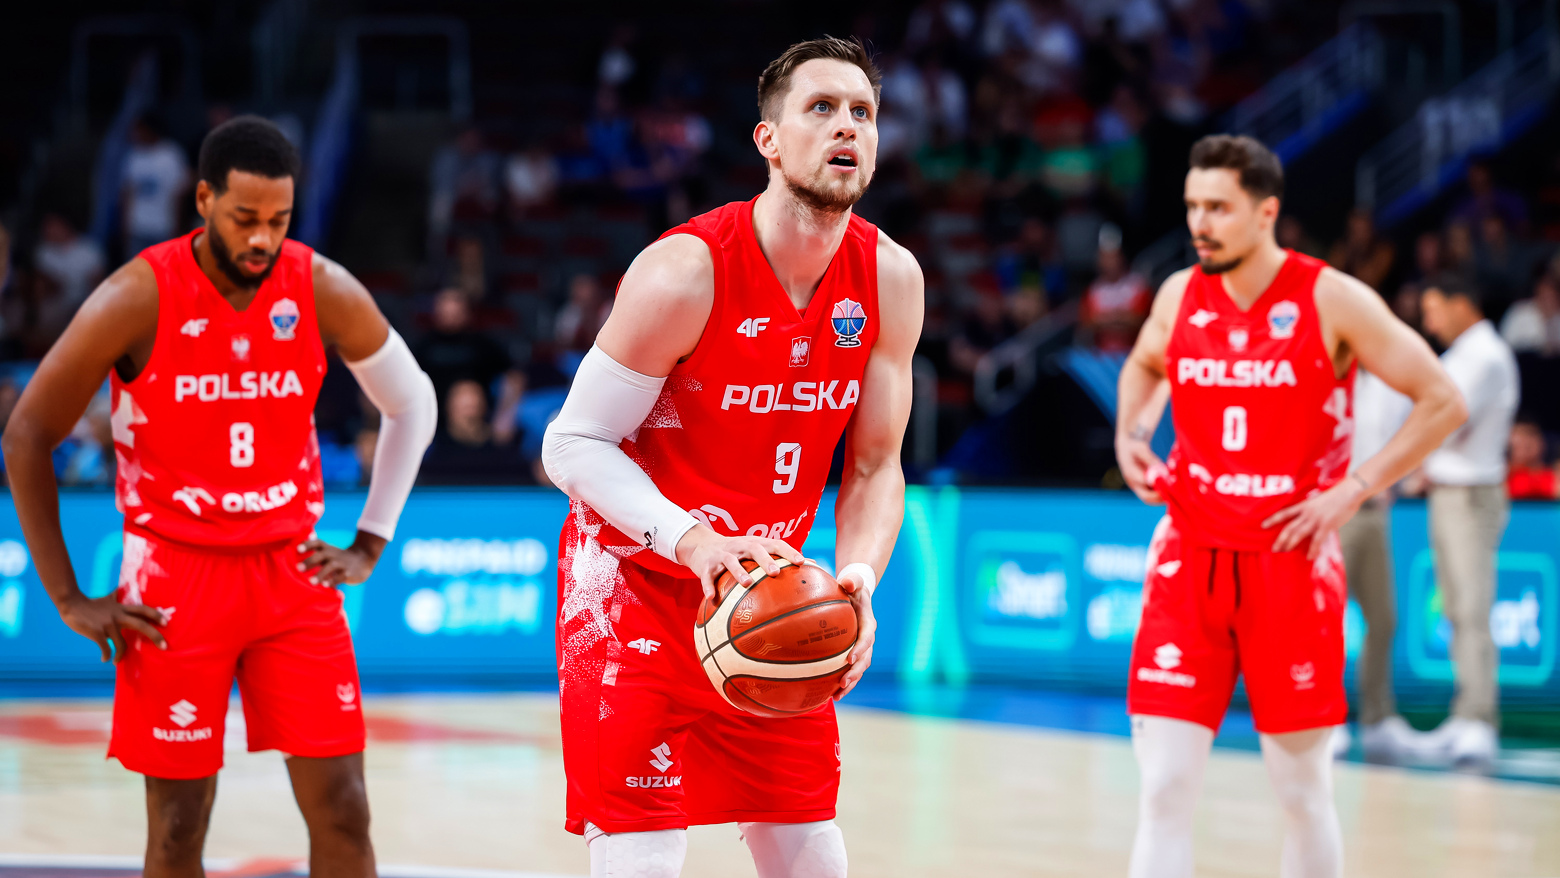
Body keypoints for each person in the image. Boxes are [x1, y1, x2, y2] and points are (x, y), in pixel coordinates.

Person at [0, 116, 437, 877]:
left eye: (279, 219)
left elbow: (414, 403)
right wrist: (67, 596)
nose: (263, 238)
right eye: (245, 218)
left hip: (291, 575)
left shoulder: (320, 286)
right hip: (175, 578)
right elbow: (27, 435)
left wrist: (372, 537)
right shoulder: (135, 295)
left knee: (345, 810)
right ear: (203, 199)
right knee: (177, 828)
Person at [541, 36, 922, 878]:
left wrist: (857, 581)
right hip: (636, 591)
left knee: (812, 853)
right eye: (821, 108)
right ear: (768, 140)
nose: (847, 126)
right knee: (644, 855)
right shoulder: (686, 271)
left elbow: (874, 467)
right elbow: (570, 442)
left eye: (862, 112)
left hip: (768, 599)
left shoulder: (891, 279)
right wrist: (694, 541)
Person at [1114, 135, 1464, 878]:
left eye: (1218, 208)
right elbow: (1143, 362)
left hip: (1291, 565)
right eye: (1192, 207)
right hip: (1189, 559)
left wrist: (1357, 486)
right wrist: (1131, 435)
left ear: (1266, 212)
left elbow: (1442, 400)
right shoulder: (1179, 294)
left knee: (1303, 794)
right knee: (1164, 791)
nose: (1200, 223)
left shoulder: (1330, 297)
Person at [1418, 273, 1521, 765]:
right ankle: (1464, 714)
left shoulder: (1487, 355)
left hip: (1472, 494)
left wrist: (1409, 459)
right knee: (1456, 609)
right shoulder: (1458, 354)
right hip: (1446, 492)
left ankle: (1481, 719)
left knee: (1473, 609)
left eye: (1434, 309)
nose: (1429, 321)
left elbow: (1445, 418)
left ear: (1462, 303)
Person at [1333, 368, 1419, 761]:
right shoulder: (1324, 378)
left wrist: (1399, 480)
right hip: (1336, 512)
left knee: (1383, 618)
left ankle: (1377, 718)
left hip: (1375, 512)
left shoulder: (1385, 382)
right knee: (1327, 620)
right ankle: (1327, 718)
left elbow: (1408, 431)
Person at [121, 115, 191, 257]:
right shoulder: (133, 155)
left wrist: (177, 226)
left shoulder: (170, 154)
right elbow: (127, 193)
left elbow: (179, 194)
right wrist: (125, 225)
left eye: (139, 131)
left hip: (163, 227)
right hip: (137, 228)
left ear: (150, 130)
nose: (135, 135)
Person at [1507, 416, 1557, 500]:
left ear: (1542, 442)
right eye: (1519, 434)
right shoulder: (1499, 477)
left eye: (1530, 434)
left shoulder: (1555, 475)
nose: (1525, 440)